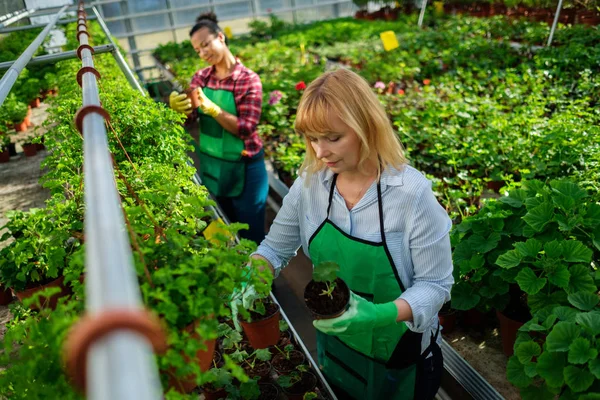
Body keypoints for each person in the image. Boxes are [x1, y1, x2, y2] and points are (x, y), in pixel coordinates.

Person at [240, 68, 454, 399]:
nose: (320, 152)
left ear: (367, 126)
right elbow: (274, 249)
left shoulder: (411, 194)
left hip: (398, 353)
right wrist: (254, 273)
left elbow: (436, 285)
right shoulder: (311, 183)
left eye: (333, 138)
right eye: (312, 138)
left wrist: (381, 314)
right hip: (335, 341)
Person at [169, 12, 268, 244]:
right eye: (197, 50)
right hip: (213, 165)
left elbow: (246, 128)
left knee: (251, 234)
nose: (203, 53)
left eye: (206, 45)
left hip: (245, 169)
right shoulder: (200, 78)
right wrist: (178, 108)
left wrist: (214, 110)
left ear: (221, 38)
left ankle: (263, 280)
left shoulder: (248, 80)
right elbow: (190, 118)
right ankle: (236, 278)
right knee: (221, 228)